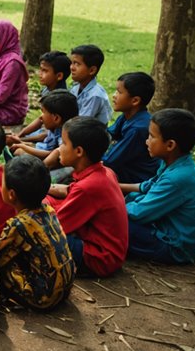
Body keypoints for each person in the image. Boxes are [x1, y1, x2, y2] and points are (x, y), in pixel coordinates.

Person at [121, 109, 195, 264]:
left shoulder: (178, 178)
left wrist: (107, 205)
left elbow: (138, 213)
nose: (147, 141)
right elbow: (147, 186)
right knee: (132, 198)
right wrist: (116, 187)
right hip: (166, 229)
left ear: (170, 145)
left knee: (113, 220)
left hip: (176, 248)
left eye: (152, 136)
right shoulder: (174, 162)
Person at [45, 117, 128, 277]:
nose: (59, 148)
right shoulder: (104, 172)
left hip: (99, 259)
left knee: (41, 232)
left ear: (79, 151)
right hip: (109, 251)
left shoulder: (88, 187)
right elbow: (68, 191)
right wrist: (42, 191)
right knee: (46, 202)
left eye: (64, 143)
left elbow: (57, 227)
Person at [0, 155, 76, 310]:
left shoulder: (19, 224)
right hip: (64, 289)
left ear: (11, 194)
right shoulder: (49, 210)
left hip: (43, 298)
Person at [10, 90, 80, 183]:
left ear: (56, 118)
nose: (41, 117)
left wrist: (23, 146)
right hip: (44, 150)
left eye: (43, 112)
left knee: (19, 152)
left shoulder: (66, 134)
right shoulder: (56, 126)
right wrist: (22, 140)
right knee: (17, 148)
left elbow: (53, 154)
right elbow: (44, 136)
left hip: (54, 162)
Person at [103, 72, 159, 184]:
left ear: (135, 101)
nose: (114, 95)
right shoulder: (127, 116)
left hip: (136, 179)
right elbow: (109, 134)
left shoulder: (137, 129)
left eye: (119, 92)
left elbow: (110, 161)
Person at [7, 50, 70, 147]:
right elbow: (41, 119)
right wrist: (22, 133)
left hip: (54, 142)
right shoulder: (47, 90)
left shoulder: (60, 101)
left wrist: (21, 140)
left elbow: (47, 135)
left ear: (59, 76)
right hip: (44, 134)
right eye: (40, 69)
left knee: (16, 149)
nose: (40, 74)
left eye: (45, 71)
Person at [70, 45, 112, 126]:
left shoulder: (95, 96)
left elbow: (80, 124)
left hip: (87, 134)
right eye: (72, 63)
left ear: (92, 70)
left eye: (77, 64)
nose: (72, 67)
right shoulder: (76, 87)